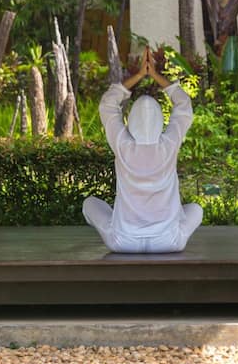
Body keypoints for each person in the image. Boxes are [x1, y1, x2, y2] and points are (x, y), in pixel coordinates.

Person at [83, 47, 204, 253]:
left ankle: (121, 222)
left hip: (123, 241)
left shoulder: (122, 145)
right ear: (159, 121)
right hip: (168, 241)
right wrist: (156, 75)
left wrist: (139, 75)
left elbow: (108, 105)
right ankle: (167, 221)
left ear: (132, 121)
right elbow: (183, 105)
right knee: (196, 209)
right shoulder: (169, 144)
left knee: (89, 204)